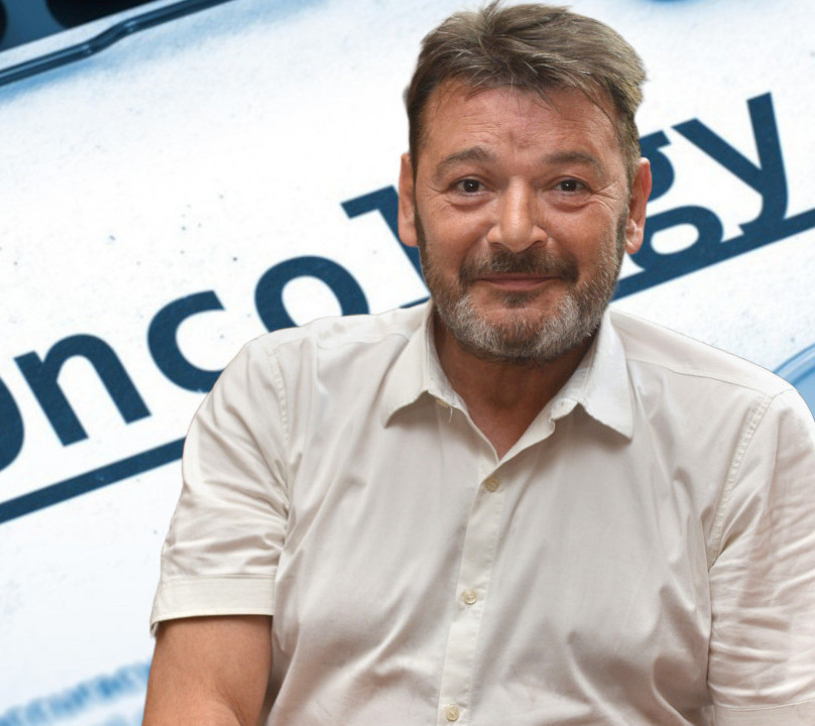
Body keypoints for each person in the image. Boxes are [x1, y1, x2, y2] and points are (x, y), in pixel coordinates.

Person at [142, 2, 815, 724]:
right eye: (470, 185)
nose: (516, 232)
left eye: (567, 186)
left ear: (635, 206)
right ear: (409, 202)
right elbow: (203, 700)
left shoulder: (747, 435)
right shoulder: (280, 392)